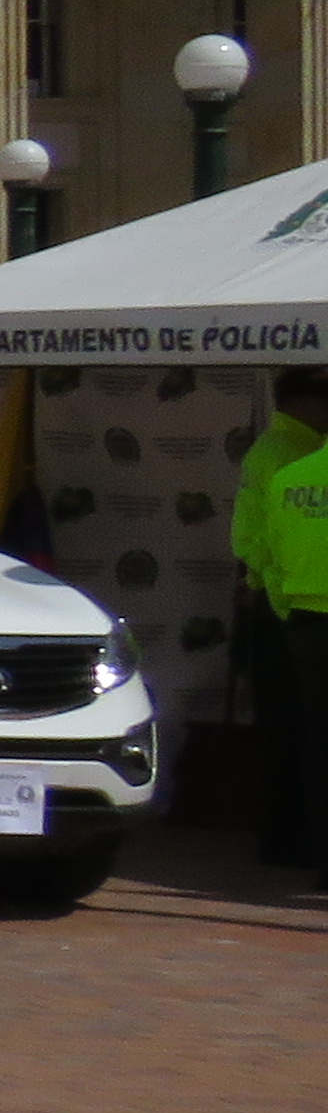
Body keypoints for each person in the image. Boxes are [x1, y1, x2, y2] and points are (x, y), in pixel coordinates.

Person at [230, 367, 328, 869]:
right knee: (298, 731)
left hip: (289, 607)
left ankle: (293, 842)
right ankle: (294, 840)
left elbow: (256, 536)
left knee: (298, 732)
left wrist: (265, 585)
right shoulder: (288, 454)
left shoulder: (282, 458)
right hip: (287, 606)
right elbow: (263, 537)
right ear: (303, 403)